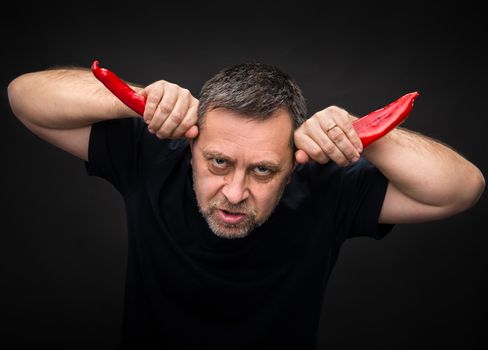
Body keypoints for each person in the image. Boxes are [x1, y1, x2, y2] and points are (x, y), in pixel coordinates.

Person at [7, 62, 485, 349]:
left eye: (262, 170)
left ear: (294, 163)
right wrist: (138, 102)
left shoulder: (328, 186)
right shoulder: (150, 154)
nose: (234, 193)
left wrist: (362, 134)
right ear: (189, 145)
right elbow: (23, 96)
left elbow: (461, 188)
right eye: (218, 162)